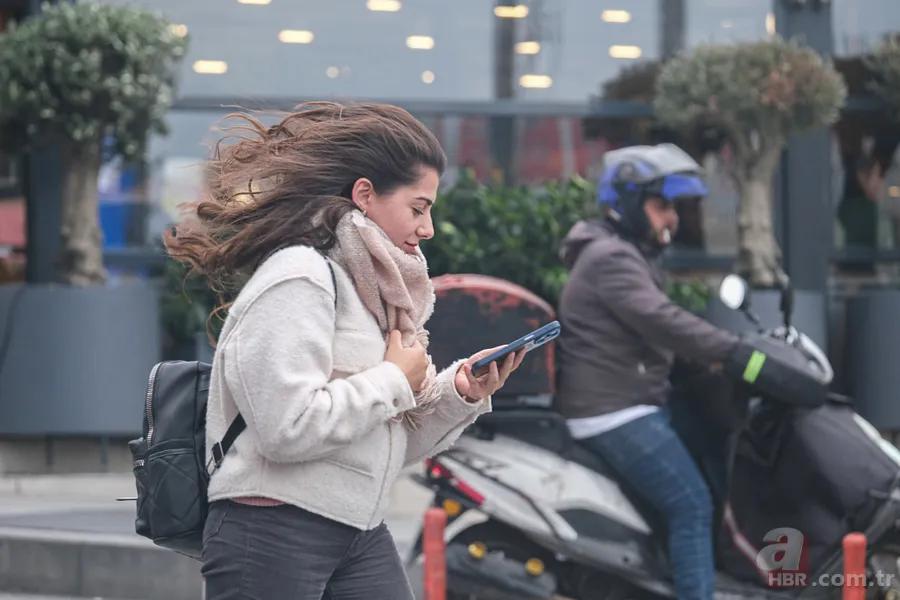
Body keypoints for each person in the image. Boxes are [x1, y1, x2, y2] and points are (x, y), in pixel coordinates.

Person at [164, 101, 525, 600]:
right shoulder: (299, 277)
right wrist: (393, 380)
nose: (428, 229)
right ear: (365, 195)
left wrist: (457, 394)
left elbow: (380, 446)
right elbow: (284, 430)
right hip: (273, 529)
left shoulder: (374, 294)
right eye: (418, 208)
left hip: (357, 528)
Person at [554, 143, 741, 600]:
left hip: (632, 397)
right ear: (629, 204)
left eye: (673, 206)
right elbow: (661, 319)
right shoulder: (612, 259)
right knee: (692, 503)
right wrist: (737, 351)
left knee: (712, 461)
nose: (671, 218)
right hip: (613, 409)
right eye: (661, 206)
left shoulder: (620, 252)